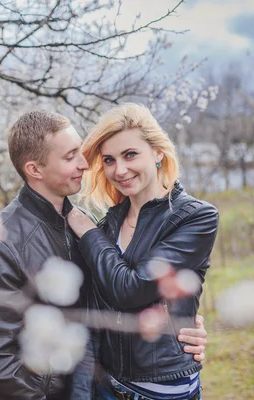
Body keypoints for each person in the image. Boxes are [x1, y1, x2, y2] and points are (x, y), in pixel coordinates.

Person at [0, 110, 208, 400]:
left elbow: (113, 299)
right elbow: (1, 360)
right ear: (35, 169)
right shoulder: (0, 242)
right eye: (71, 156)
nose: (85, 164)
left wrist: (180, 323)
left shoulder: (86, 225)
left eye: (81, 153)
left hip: (98, 388)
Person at [67, 103, 219, 400]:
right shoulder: (109, 224)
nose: (119, 170)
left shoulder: (195, 217)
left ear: (158, 152)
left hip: (160, 389)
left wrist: (88, 233)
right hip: (106, 383)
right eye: (109, 160)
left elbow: (131, 289)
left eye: (130, 154)